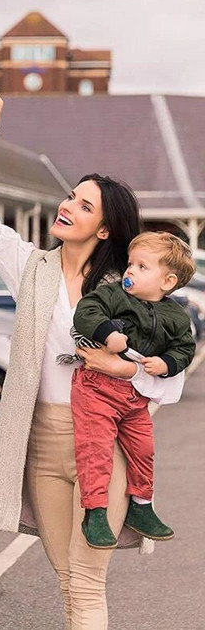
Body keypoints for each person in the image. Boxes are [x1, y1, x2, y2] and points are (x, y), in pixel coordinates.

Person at [0, 88, 184, 629]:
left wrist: (122, 368)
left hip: (104, 442)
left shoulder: (128, 288)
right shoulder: (30, 267)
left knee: (86, 582)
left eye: (84, 205)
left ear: (104, 229)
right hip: (42, 442)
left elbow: (170, 376)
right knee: (67, 578)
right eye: (71, 196)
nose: (67, 206)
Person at [64, 231, 196, 548]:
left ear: (167, 282)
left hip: (135, 397)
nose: (130, 271)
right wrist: (108, 333)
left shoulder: (176, 316)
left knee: (144, 449)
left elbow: (185, 348)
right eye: (131, 264)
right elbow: (86, 310)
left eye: (142, 266)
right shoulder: (114, 296)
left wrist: (166, 363)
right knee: (96, 451)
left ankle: (141, 506)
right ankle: (95, 513)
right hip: (97, 390)